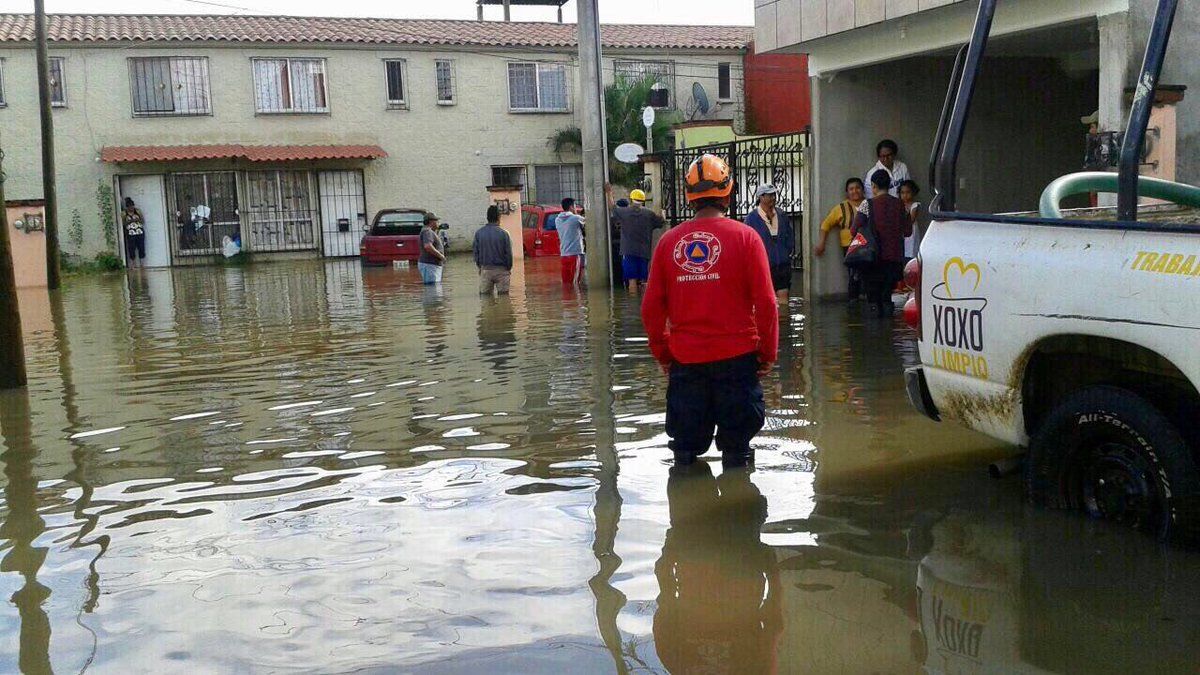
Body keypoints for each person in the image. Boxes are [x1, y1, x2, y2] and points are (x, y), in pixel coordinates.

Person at [642, 153, 779, 468]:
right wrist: (767, 353)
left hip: (686, 364)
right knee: (738, 450)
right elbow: (767, 304)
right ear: (728, 192)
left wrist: (665, 355)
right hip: (739, 362)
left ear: (690, 196)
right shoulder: (747, 238)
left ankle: (687, 507)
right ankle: (737, 503)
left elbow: (651, 310)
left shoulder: (668, 243)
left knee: (685, 453)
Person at [653, 462, 782, 674]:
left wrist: (669, 553)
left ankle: (704, 454)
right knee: (730, 468)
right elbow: (774, 621)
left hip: (705, 549)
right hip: (730, 552)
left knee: (694, 467)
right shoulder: (757, 670)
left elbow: (665, 608)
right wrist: (772, 573)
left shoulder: (677, 665)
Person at [854, 170, 912, 316]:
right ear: (890, 185)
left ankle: (875, 334)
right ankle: (887, 332)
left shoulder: (866, 204)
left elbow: (853, 230)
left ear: (873, 186)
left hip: (872, 259)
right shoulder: (900, 205)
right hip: (893, 259)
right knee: (887, 297)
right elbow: (908, 231)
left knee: (873, 299)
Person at [815, 177, 867, 300]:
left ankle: (868, 300)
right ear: (847, 192)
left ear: (863, 190)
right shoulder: (841, 207)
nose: (855, 191)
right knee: (853, 274)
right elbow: (826, 224)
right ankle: (853, 302)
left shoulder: (869, 204)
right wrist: (822, 243)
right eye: (851, 189)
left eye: (858, 188)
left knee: (868, 273)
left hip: (868, 245)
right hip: (849, 246)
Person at [743, 184, 795, 304]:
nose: (773, 198)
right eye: (769, 195)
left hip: (782, 265)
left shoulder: (782, 215)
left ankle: (783, 322)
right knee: (765, 299)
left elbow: (790, 236)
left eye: (774, 194)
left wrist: (786, 252)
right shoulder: (751, 219)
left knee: (784, 299)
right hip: (763, 266)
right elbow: (748, 244)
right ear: (761, 197)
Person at [612, 188, 665, 294]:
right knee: (645, 281)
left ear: (631, 200)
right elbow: (661, 222)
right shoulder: (649, 214)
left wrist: (608, 193)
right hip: (644, 252)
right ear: (643, 200)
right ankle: (643, 304)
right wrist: (663, 213)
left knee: (632, 281)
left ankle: (633, 305)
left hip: (628, 251)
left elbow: (612, 207)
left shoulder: (624, 212)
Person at [473, 205, 513, 295]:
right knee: (504, 298)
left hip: (485, 270)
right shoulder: (504, 234)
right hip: (502, 270)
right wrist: (508, 268)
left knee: (485, 299)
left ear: (487, 218)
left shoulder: (479, 233)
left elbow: (476, 253)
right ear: (499, 217)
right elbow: (508, 254)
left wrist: (480, 267)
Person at [898, 179, 931, 262]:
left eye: (907, 192)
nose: (905, 195)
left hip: (911, 231)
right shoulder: (898, 204)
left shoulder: (914, 205)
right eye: (902, 193)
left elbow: (911, 219)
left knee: (911, 250)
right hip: (901, 231)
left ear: (913, 193)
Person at [556, 198, 586, 286]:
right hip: (575, 254)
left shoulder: (557, 219)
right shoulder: (576, 218)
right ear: (571, 207)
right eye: (575, 206)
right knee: (575, 284)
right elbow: (589, 221)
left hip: (564, 255)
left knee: (566, 283)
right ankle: (575, 300)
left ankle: (567, 299)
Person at [418, 212, 446, 285]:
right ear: (431, 221)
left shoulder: (428, 231)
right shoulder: (427, 231)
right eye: (436, 221)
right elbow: (428, 246)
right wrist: (441, 256)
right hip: (430, 265)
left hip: (431, 265)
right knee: (432, 290)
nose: (438, 223)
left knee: (434, 289)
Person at [121, 197, 146, 267]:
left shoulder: (137, 211)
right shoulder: (124, 213)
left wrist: (137, 220)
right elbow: (123, 224)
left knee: (141, 247)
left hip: (139, 232)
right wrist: (130, 221)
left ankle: (142, 264)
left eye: (132, 206)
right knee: (131, 248)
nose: (131, 208)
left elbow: (142, 221)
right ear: (127, 207)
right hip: (130, 233)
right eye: (130, 207)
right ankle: (133, 264)